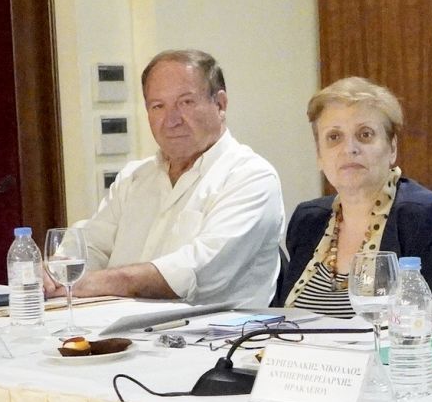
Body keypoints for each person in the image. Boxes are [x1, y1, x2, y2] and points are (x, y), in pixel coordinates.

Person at [50, 49, 284, 307]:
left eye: (186, 102)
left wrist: (88, 283)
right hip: (116, 324)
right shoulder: (133, 178)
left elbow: (198, 270)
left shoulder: (251, 177)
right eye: (158, 106)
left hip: (212, 330)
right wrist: (55, 272)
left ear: (220, 104)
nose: (171, 120)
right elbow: (93, 245)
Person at [275, 76, 432, 316]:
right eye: (334, 137)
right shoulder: (307, 221)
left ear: (392, 148)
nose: (349, 149)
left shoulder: (427, 216)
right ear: (319, 155)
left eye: (365, 134)